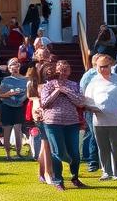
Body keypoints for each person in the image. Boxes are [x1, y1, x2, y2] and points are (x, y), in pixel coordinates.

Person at [83, 53, 117, 181]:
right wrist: (91, 107)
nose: (102, 69)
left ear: (111, 66)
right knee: (102, 147)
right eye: (99, 67)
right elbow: (87, 99)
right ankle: (106, 172)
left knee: (116, 147)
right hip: (99, 120)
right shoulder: (93, 82)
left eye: (105, 66)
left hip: (116, 120)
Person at [38, 59, 85, 189]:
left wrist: (66, 91)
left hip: (72, 122)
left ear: (69, 71)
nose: (62, 73)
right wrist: (57, 91)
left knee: (75, 152)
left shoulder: (74, 85)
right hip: (53, 122)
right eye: (60, 70)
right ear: (55, 71)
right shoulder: (48, 85)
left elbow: (81, 102)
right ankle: (58, 180)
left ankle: (75, 177)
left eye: (65, 70)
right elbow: (45, 103)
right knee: (57, 152)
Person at [0, 58, 29, 160]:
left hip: (19, 107)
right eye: (11, 65)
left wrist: (22, 99)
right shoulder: (5, 80)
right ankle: (7, 154)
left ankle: (18, 153)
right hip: (7, 107)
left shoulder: (26, 80)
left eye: (15, 65)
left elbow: (28, 93)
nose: (14, 67)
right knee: (7, 130)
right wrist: (9, 94)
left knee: (18, 129)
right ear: (9, 68)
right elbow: (0, 95)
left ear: (19, 66)